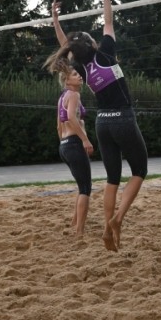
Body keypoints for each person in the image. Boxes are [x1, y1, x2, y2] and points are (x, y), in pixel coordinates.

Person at [46, 0, 148, 251]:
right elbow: (108, 22)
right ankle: (117, 219)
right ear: (92, 44)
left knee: (112, 179)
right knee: (139, 170)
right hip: (123, 118)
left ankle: (107, 231)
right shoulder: (106, 53)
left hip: (102, 123)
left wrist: (55, 20)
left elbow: (64, 45)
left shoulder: (81, 67)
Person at [50, 59, 94, 239]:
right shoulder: (74, 95)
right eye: (75, 75)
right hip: (74, 144)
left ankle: (74, 223)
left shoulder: (62, 97)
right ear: (67, 80)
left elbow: (58, 126)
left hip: (65, 145)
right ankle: (80, 232)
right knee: (86, 189)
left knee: (81, 186)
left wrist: (64, 143)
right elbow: (71, 118)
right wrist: (85, 140)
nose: (80, 76)